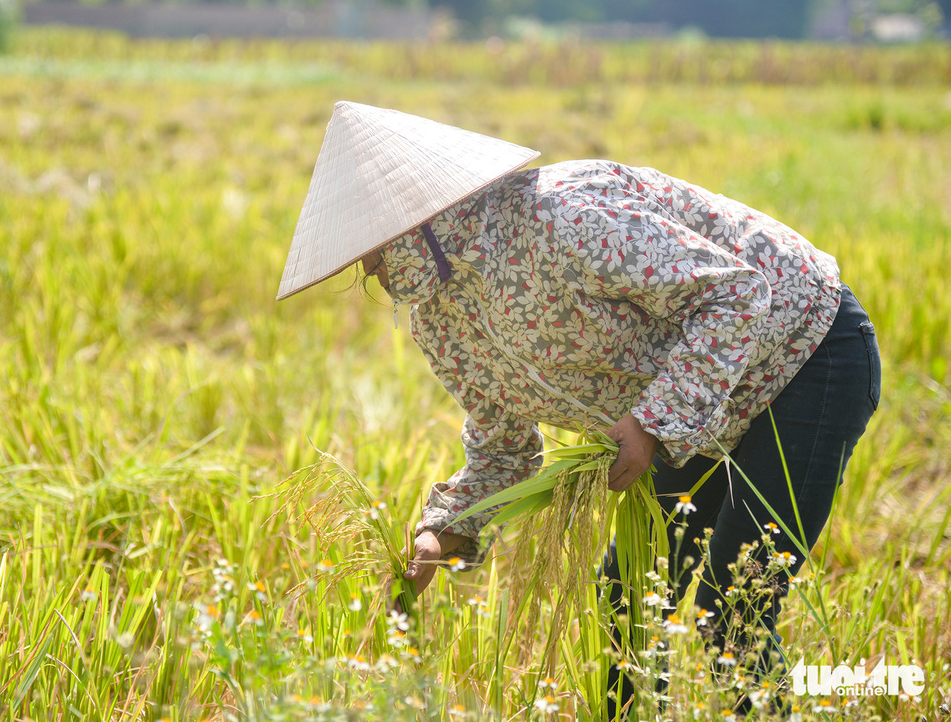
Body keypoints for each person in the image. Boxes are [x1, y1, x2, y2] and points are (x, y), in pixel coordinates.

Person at [277, 101, 880, 713]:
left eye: (373, 252)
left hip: (805, 353)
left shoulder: (561, 214)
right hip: (698, 407)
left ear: (419, 220)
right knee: (626, 599)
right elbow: (503, 445)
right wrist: (445, 529)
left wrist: (651, 422)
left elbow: (734, 293)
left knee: (732, 611)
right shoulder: (442, 322)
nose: (370, 272)